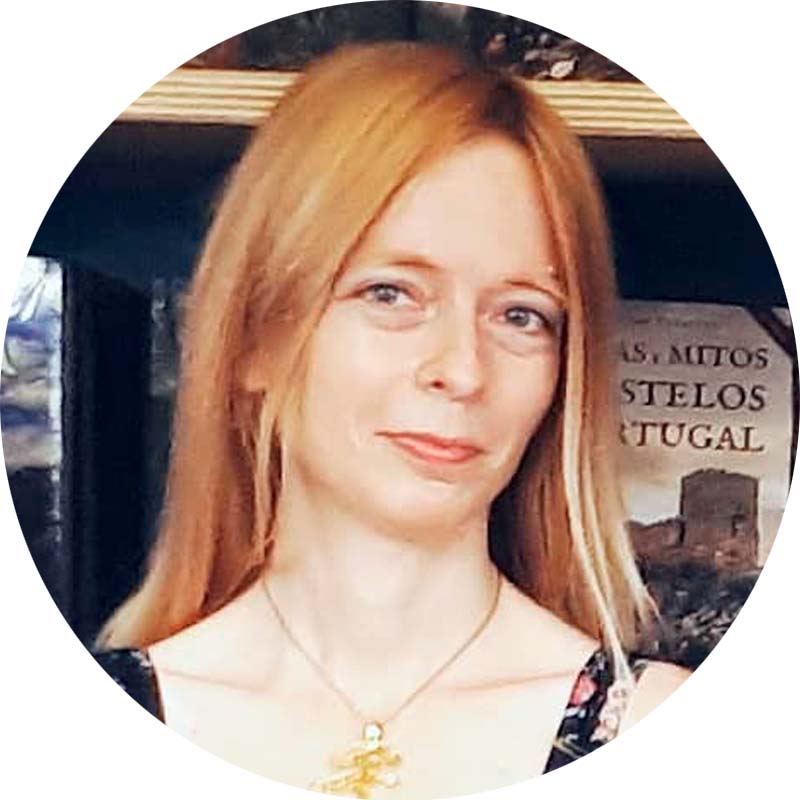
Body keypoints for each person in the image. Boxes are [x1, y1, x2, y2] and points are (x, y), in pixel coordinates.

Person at [95, 42, 689, 798]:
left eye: (521, 315)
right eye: (391, 294)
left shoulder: (663, 730)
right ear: (255, 338)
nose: (463, 371)